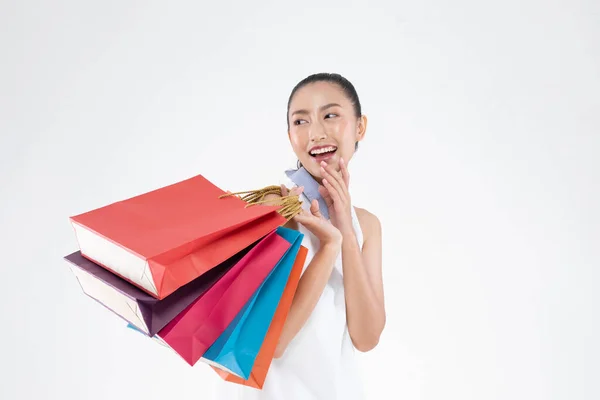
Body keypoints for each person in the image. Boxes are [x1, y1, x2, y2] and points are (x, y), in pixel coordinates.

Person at [215, 73, 386, 399]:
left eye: (330, 115)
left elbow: (366, 337)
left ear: (360, 126)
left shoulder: (366, 224)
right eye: (300, 121)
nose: (316, 133)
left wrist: (345, 231)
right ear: (290, 134)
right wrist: (329, 246)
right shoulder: (276, 208)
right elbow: (273, 343)